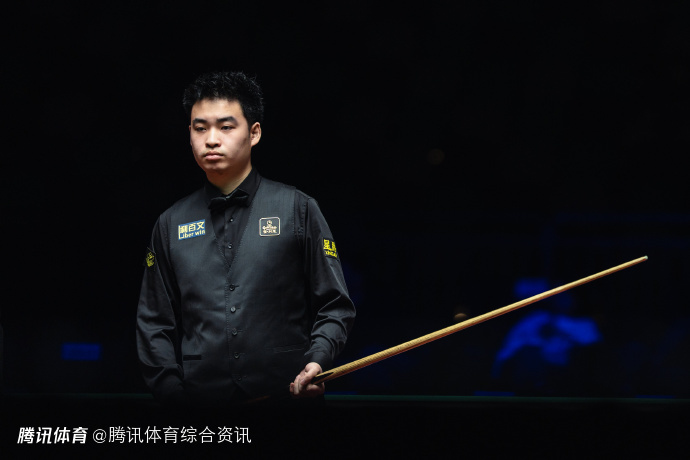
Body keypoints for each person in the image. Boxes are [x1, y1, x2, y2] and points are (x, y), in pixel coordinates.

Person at [136, 71, 355, 406]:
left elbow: (335, 305)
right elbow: (153, 324)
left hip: (288, 402)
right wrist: (172, 396)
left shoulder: (298, 208)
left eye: (226, 127)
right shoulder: (169, 223)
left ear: (254, 133)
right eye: (200, 128)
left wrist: (318, 359)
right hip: (203, 408)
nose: (211, 139)